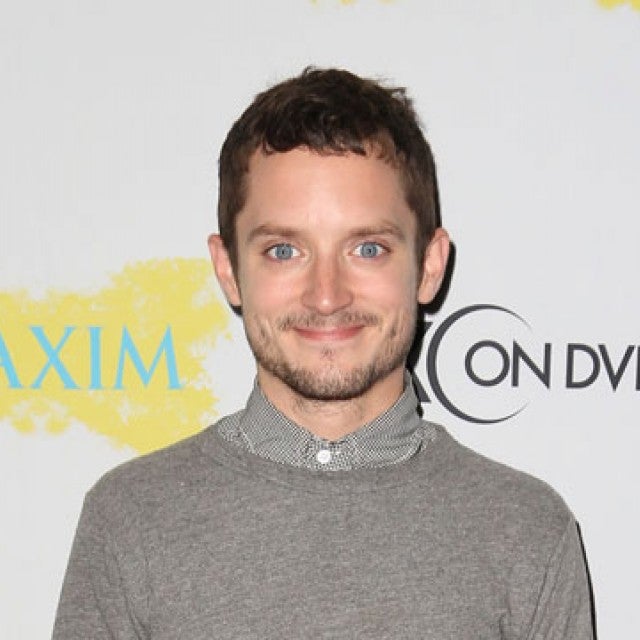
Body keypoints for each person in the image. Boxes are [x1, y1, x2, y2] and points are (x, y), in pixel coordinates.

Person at [53, 68, 595, 639]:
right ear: (228, 270)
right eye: (284, 251)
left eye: (368, 249)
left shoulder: (527, 531)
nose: (327, 295)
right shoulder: (130, 519)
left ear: (429, 266)